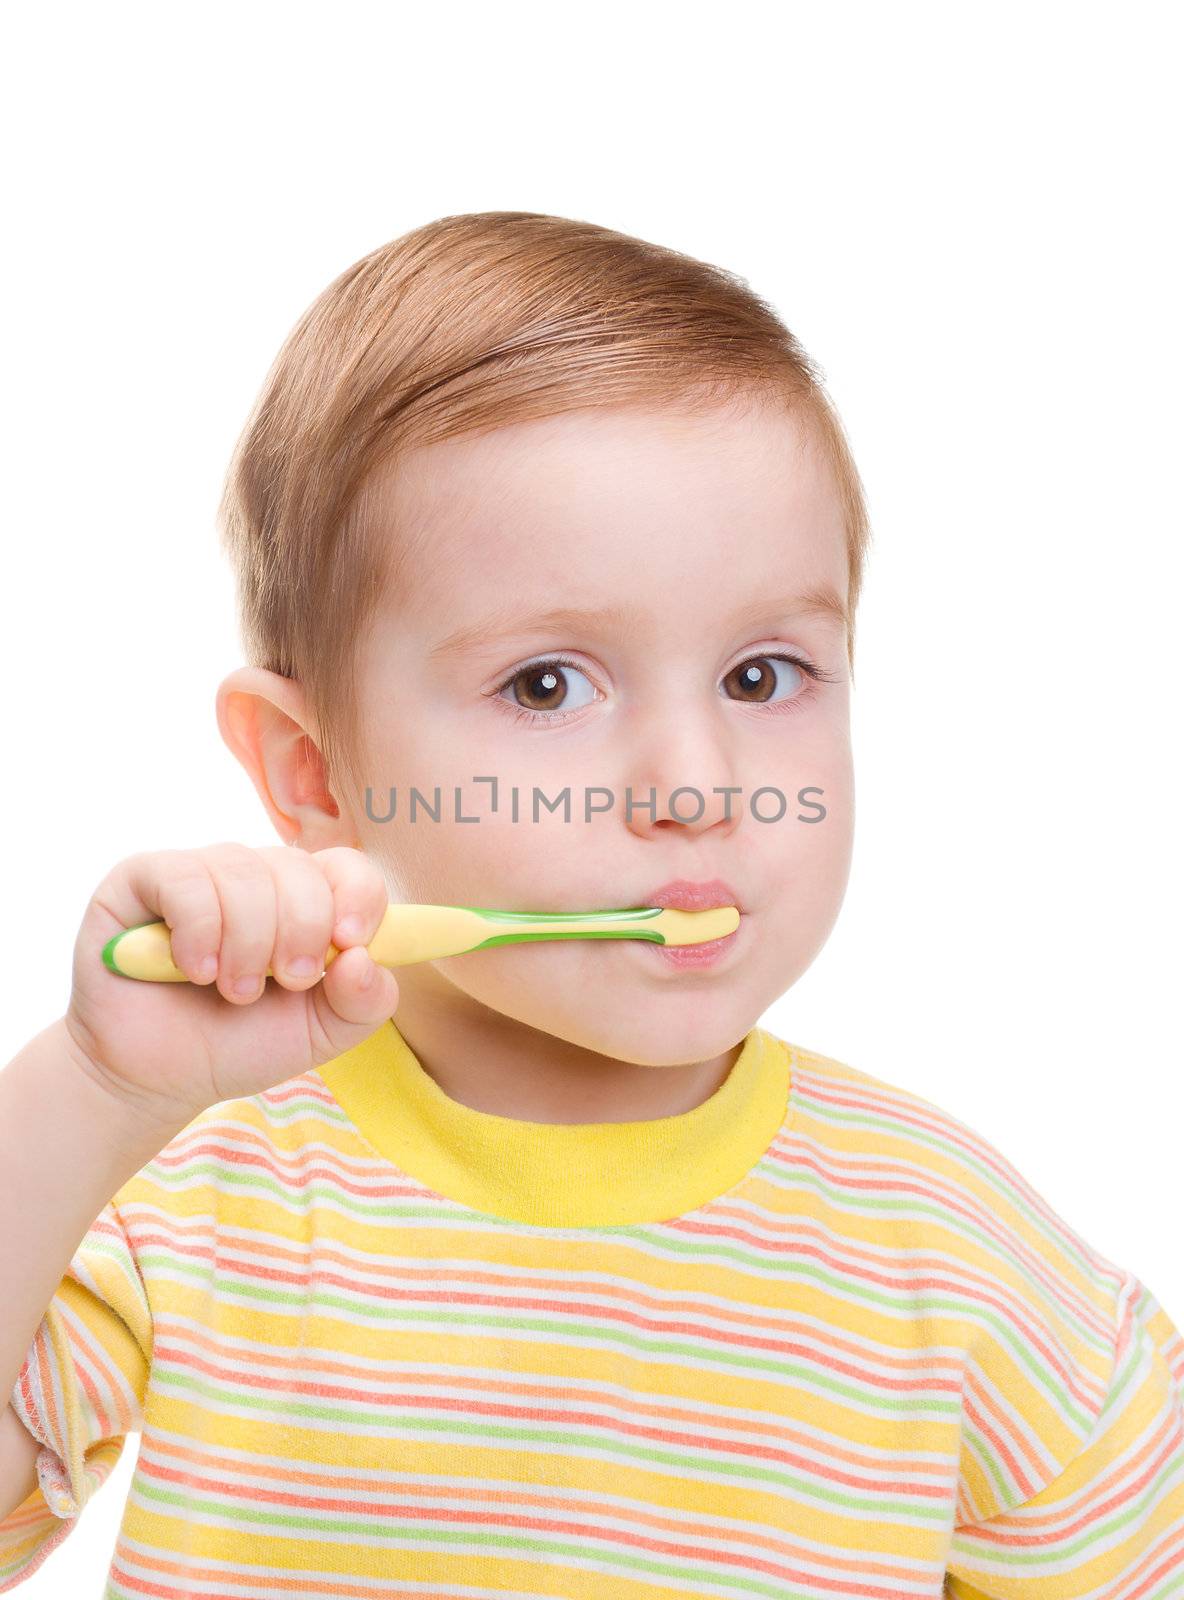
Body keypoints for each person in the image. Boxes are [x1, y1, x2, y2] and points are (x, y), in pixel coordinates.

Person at [1, 211, 1181, 1598]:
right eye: (549, 684)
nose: (697, 784)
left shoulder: (959, 1256)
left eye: (761, 676)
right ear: (312, 772)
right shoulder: (193, 1188)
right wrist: (87, 1088)